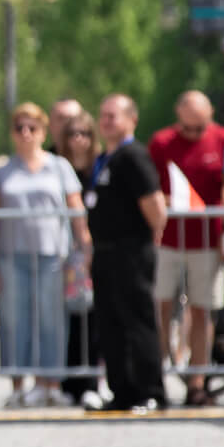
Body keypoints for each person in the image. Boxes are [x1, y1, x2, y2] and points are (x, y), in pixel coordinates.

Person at [0, 103, 87, 407]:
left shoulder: (59, 167)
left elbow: (77, 212)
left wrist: (85, 249)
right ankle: (19, 385)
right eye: (20, 127)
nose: (26, 133)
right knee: (14, 321)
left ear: (44, 132)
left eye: (32, 127)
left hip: (53, 256)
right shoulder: (2, 172)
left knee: (51, 321)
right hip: (11, 254)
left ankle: (50, 383)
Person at [147, 91, 224, 407]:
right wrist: (172, 205)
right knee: (161, 307)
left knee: (202, 310)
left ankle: (197, 382)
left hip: (207, 241)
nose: (196, 134)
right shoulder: (161, 142)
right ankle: (158, 376)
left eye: (201, 128)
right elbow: (151, 188)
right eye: (189, 128)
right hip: (167, 240)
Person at [88, 94, 167, 413]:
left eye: (113, 116)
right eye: (103, 116)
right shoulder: (104, 158)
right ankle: (122, 390)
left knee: (138, 321)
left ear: (131, 120)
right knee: (110, 323)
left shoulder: (134, 156)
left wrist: (143, 242)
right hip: (104, 252)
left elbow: (156, 210)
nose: (106, 121)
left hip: (131, 250)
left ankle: (151, 391)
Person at [57, 111, 102, 405]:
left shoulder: (99, 167)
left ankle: (91, 381)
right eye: (72, 133)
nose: (78, 139)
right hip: (62, 251)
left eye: (84, 133)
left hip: (93, 250)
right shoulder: (56, 165)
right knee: (65, 318)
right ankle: (67, 381)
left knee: (91, 317)